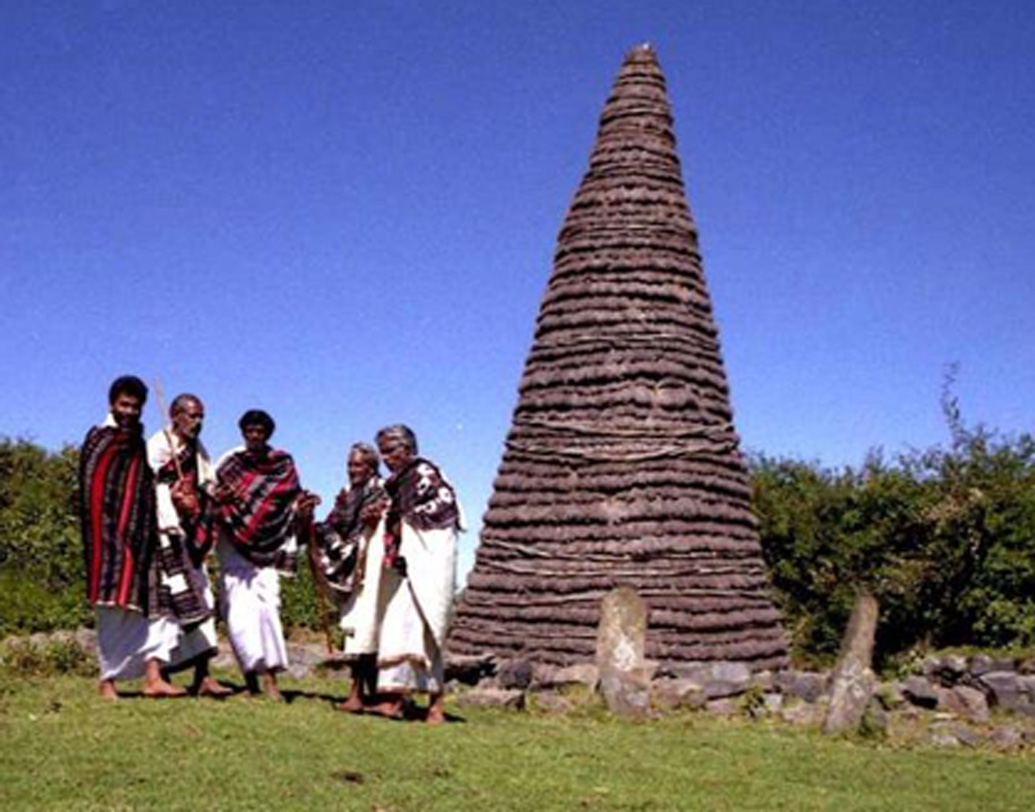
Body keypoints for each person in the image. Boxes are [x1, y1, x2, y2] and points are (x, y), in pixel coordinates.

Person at [78, 375, 185, 700]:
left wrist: (169, 494)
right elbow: (92, 491)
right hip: (109, 538)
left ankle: (153, 678)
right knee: (113, 607)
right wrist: (113, 529)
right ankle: (107, 681)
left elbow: (142, 484)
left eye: (136, 407)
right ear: (112, 404)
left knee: (156, 605)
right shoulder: (100, 440)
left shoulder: (138, 442)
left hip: (142, 535)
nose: (130, 412)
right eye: (124, 405)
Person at [213, 409, 319, 700]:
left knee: (267, 612)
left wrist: (305, 508)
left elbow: (292, 501)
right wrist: (222, 504)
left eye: (260, 431)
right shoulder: (229, 463)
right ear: (242, 432)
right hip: (234, 547)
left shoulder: (283, 464)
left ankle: (272, 681)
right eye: (250, 430)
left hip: (270, 549)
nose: (254, 435)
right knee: (238, 617)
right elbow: (213, 497)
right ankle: (250, 684)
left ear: (268, 433)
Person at [367, 425, 461, 724]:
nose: (386, 458)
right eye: (382, 453)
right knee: (398, 630)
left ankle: (436, 707)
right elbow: (392, 517)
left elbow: (443, 513)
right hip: (405, 570)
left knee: (429, 632)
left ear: (407, 448)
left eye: (391, 451)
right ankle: (395, 700)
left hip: (426, 566)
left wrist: (402, 523)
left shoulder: (425, 475)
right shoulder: (396, 484)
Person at [146, 393, 231, 697]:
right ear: (175, 415)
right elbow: (145, 485)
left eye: (201, 417)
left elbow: (208, 484)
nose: (198, 422)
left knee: (203, 599)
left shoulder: (199, 451)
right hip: (164, 535)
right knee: (167, 604)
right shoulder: (158, 445)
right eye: (192, 416)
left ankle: (203, 676)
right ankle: (158, 675)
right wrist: (171, 496)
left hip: (191, 536)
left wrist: (205, 497)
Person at [311, 442, 389, 713]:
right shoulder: (347, 494)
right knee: (359, 629)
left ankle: (363, 694)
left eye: (357, 465)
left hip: (375, 566)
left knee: (369, 628)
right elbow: (333, 524)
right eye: (349, 465)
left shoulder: (383, 491)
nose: (352, 470)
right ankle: (362, 694)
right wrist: (310, 521)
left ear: (371, 467)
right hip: (353, 566)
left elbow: (387, 523)